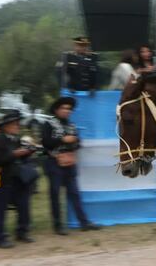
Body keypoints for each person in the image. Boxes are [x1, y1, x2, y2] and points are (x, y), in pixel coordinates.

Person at [41, 97, 101, 235]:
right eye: (64, 108)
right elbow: (45, 143)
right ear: (56, 110)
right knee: (55, 194)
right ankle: (58, 225)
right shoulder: (49, 124)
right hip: (54, 162)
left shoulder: (72, 125)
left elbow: (78, 143)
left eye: (69, 109)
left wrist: (74, 141)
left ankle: (84, 222)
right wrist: (63, 139)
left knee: (74, 193)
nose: (67, 111)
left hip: (69, 162)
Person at [0, 111, 37, 248]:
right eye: (14, 124)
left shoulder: (16, 139)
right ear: (5, 126)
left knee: (23, 205)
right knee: (0, 208)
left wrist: (28, 152)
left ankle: (22, 232)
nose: (17, 126)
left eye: (17, 123)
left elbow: (20, 158)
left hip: (17, 178)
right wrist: (13, 154)